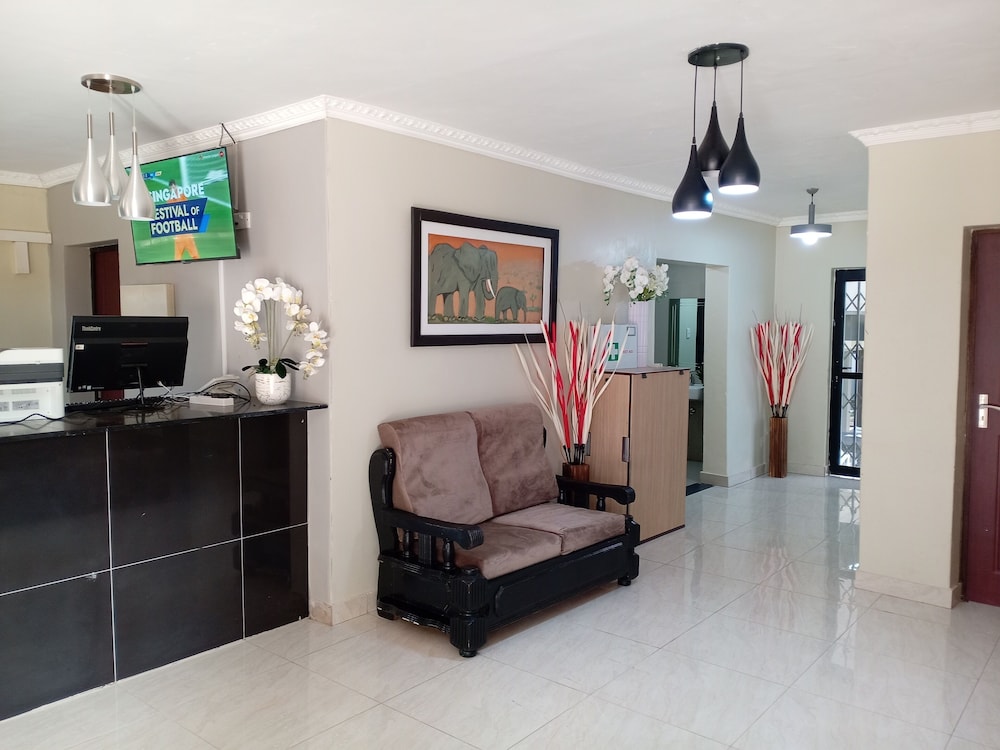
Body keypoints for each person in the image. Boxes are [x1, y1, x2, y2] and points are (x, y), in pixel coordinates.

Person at [168, 180, 201, 260]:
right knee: (177, 258)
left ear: (176, 187)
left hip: (187, 233)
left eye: (174, 187)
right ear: (170, 189)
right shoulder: (169, 201)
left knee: (195, 256)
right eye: (171, 188)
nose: (173, 189)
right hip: (178, 234)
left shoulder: (182, 197)